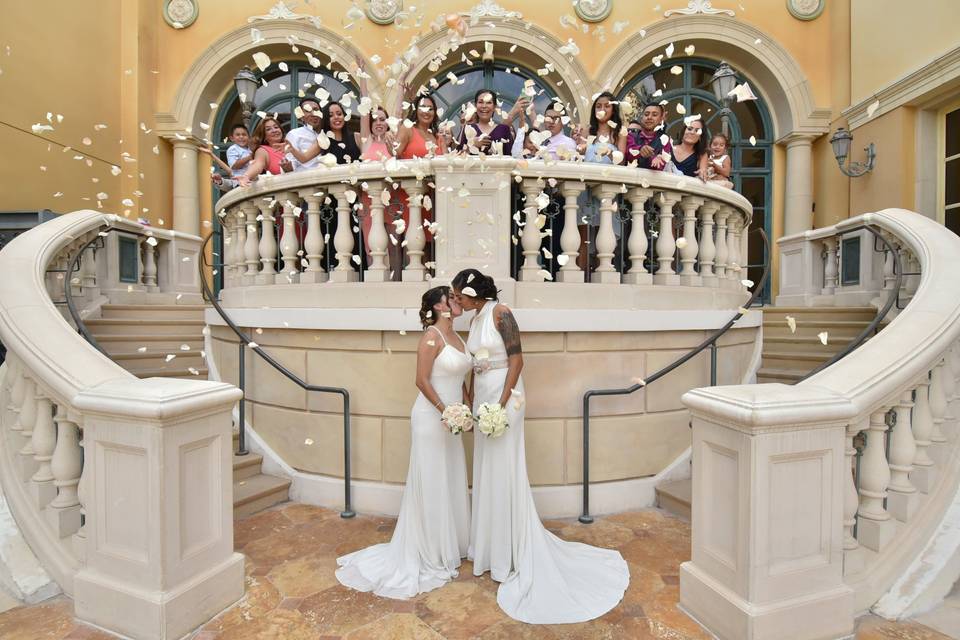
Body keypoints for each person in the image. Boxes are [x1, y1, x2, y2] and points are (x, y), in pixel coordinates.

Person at [451, 269, 629, 624]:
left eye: (459, 295)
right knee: (487, 467)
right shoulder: (474, 319)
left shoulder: (502, 313)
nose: (457, 301)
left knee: (505, 466)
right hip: (484, 395)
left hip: (506, 397)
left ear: (473, 294)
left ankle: (510, 550)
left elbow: (517, 360)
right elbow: (475, 366)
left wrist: (500, 403)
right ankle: (489, 549)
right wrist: (471, 399)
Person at [336, 286, 472, 599]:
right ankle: (429, 549)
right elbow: (421, 380)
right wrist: (445, 411)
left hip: (452, 417)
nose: (457, 301)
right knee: (432, 478)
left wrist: (467, 407)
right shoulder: (431, 337)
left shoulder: (458, 337)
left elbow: (460, 377)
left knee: (450, 475)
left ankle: (452, 543)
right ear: (440, 306)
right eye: (452, 298)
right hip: (430, 417)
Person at [457, 89, 527, 155]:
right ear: (476, 105)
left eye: (489, 103)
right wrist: (472, 144)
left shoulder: (504, 129)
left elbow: (512, 158)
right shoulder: (467, 128)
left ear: (494, 107)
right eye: (480, 102)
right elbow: (456, 158)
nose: (484, 106)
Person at [236, 117, 293, 187]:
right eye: (268, 129)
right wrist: (246, 176)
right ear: (264, 135)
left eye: (276, 127)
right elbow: (257, 165)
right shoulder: (262, 150)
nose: (274, 130)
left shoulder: (291, 145)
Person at [203, 124, 252, 191]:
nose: (241, 137)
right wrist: (250, 157)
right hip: (239, 183)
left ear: (248, 137)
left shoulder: (250, 149)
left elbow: (230, 171)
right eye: (238, 135)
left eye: (244, 134)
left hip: (252, 181)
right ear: (232, 138)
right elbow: (234, 166)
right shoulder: (233, 149)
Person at [626, 103, 672, 170]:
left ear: (661, 120)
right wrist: (640, 150)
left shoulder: (665, 140)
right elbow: (627, 154)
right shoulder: (631, 136)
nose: (649, 117)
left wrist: (656, 159)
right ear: (642, 118)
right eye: (646, 114)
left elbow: (660, 166)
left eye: (654, 115)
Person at [286, 98, 323, 171]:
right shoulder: (294, 134)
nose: (313, 114)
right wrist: (286, 166)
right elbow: (291, 163)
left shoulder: (328, 134)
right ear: (302, 117)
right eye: (308, 111)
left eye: (316, 110)